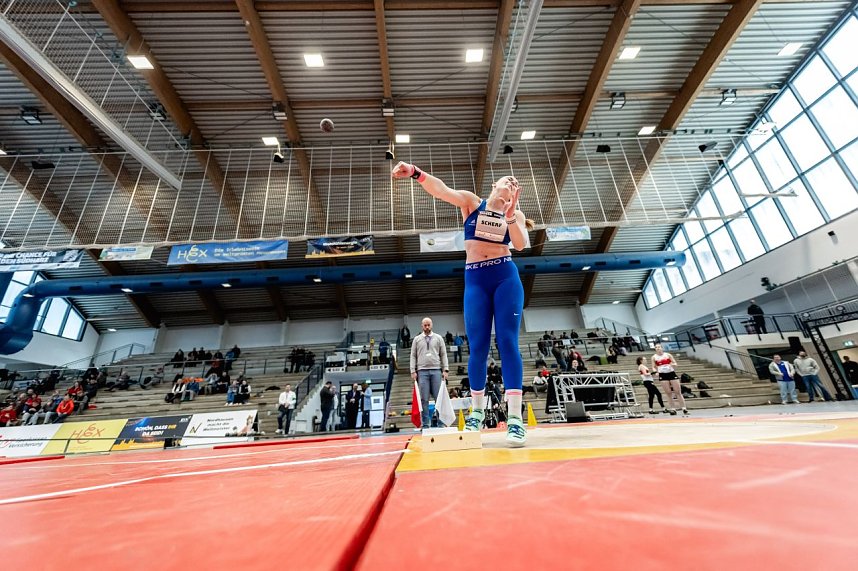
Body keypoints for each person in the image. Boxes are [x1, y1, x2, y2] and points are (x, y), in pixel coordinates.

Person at [394, 162, 531, 446]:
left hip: (505, 277)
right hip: (476, 280)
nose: (511, 183)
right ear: (494, 185)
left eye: (515, 184)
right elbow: (442, 191)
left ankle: (515, 419)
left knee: (507, 341)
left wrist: (510, 217)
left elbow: (520, 245)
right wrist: (416, 173)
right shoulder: (472, 203)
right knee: (478, 346)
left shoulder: (515, 214)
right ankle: (476, 413)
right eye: (507, 179)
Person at [409, 317, 449, 429]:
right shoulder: (417, 339)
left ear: (432, 325)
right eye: (425, 325)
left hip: (436, 370)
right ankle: (426, 424)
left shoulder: (439, 338)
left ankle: (441, 423)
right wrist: (412, 370)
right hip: (422, 372)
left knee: (439, 398)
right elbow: (413, 355)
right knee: (424, 399)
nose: (427, 327)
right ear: (422, 326)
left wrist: (445, 369)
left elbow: (443, 354)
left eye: (428, 325)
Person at [652, 344, 686, 415]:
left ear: (662, 348)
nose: (658, 348)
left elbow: (675, 363)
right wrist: (655, 372)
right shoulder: (654, 357)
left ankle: (684, 408)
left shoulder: (668, 355)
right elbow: (653, 367)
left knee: (678, 391)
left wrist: (673, 364)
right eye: (656, 347)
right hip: (662, 375)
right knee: (668, 392)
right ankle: (673, 409)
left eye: (659, 347)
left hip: (671, 373)